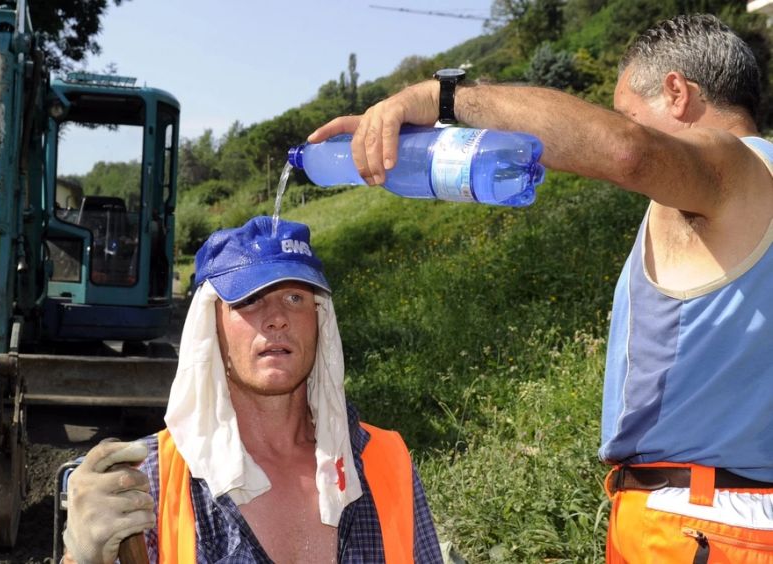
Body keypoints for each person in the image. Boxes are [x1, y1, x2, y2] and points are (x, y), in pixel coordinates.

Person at [309, 13, 773, 563]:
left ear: (676, 93)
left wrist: (442, 99)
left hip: (701, 525)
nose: (629, 128)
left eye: (629, 113)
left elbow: (628, 152)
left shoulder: (736, 169)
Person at [61, 216, 444, 563]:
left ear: (319, 321)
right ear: (211, 329)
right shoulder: (146, 481)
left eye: (295, 298)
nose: (277, 319)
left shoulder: (385, 463)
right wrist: (82, 560)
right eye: (248, 299)